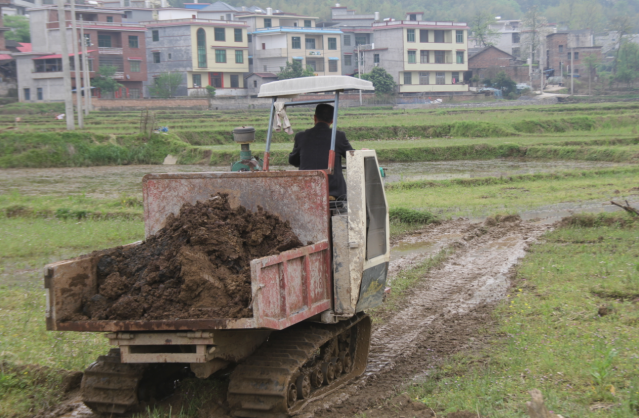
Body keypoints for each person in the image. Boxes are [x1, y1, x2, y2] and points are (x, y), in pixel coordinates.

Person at [288, 103, 353, 200]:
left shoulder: (301, 136)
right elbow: (352, 157)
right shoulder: (338, 136)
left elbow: (293, 161)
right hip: (333, 191)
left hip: (307, 189)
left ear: (315, 118)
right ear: (332, 120)